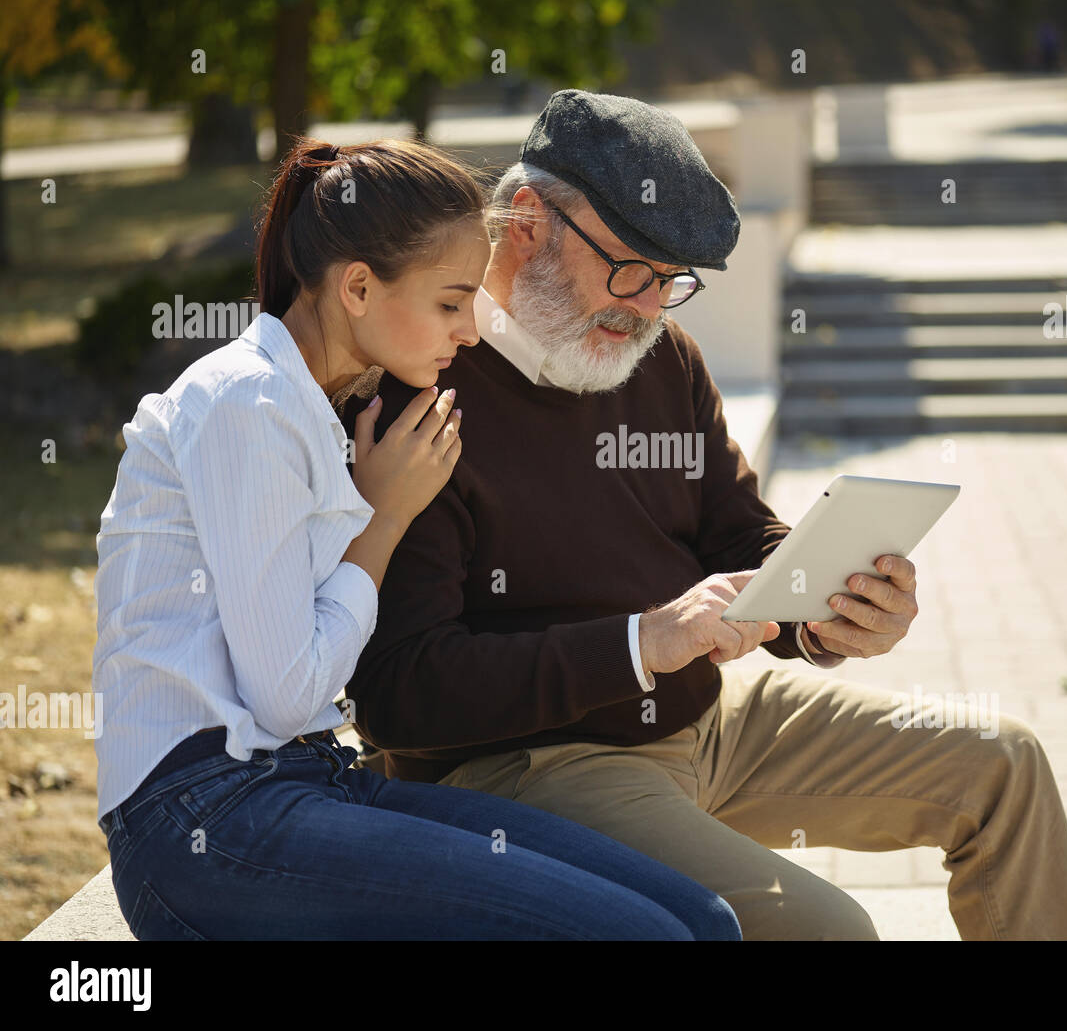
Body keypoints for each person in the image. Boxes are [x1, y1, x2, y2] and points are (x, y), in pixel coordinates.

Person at [330, 92, 1067, 941]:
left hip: (707, 716)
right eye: (631, 268)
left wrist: (827, 609)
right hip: (531, 763)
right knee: (830, 932)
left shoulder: (657, 355)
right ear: (526, 222)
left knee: (1005, 765)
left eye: (673, 281)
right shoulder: (419, 396)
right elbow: (400, 696)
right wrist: (639, 643)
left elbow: (737, 531)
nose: (649, 308)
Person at [90, 136, 742, 941]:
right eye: (449, 301)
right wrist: (385, 515)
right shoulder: (245, 405)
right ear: (358, 286)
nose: (471, 330)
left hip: (311, 778)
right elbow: (287, 692)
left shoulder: (330, 404)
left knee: (703, 922)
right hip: (203, 820)